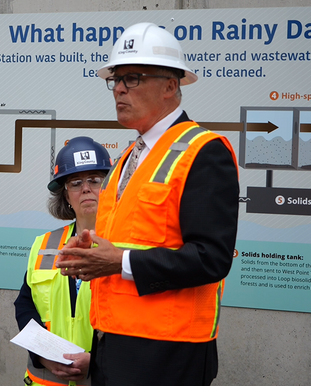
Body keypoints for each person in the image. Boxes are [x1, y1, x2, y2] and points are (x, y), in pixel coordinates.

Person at [55, 23, 239, 386]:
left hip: (168, 353)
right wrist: (89, 253)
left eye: (133, 78)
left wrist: (118, 262)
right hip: (114, 343)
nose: (119, 88)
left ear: (171, 86)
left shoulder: (204, 152)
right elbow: (129, 237)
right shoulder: (128, 157)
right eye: (116, 79)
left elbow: (211, 258)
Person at [14, 137, 112, 386]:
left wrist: (98, 359)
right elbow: (25, 304)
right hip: (47, 378)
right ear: (66, 195)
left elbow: (138, 318)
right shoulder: (45, 244)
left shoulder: (125, 248)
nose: (86, 188)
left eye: (95, 180)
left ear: (110, 187)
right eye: (76, 183)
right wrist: (41, 355)